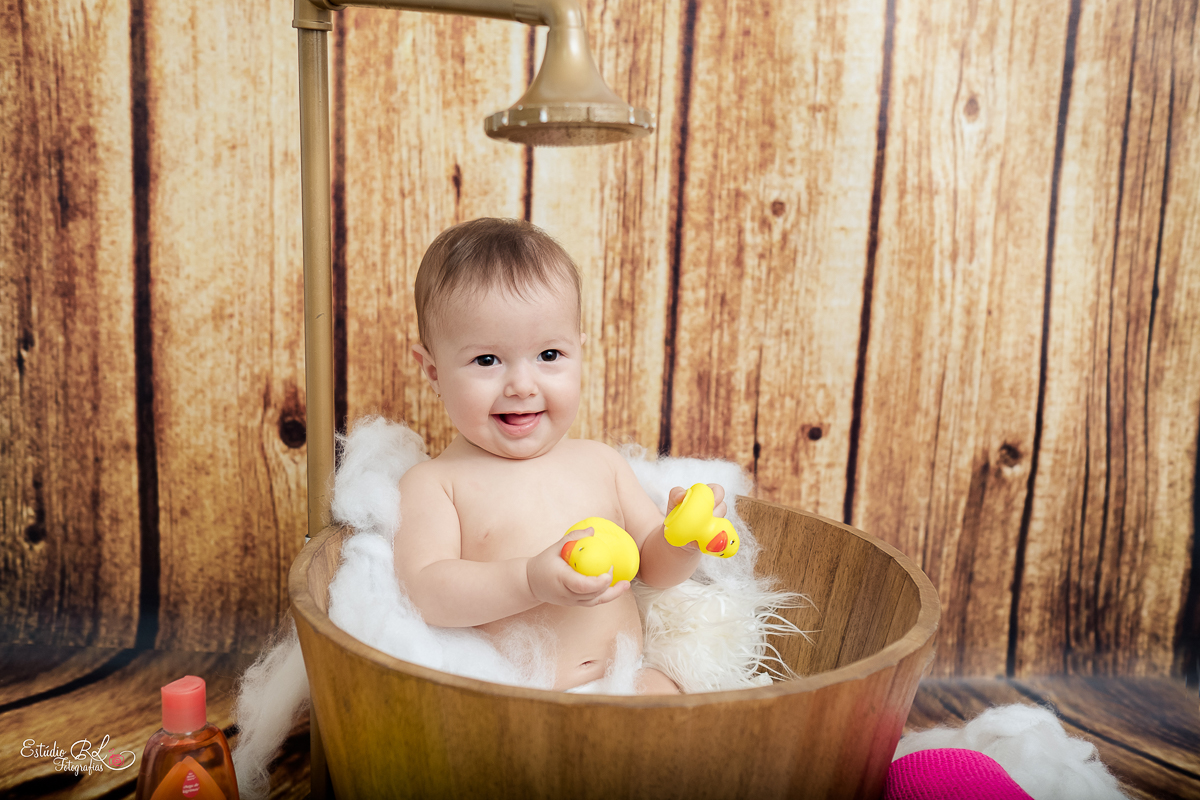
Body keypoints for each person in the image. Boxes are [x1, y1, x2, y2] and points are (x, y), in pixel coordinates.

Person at [394, 217, 728, 693]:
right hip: (521, 703)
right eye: (486, 360)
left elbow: (652, 568)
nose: (522, 385)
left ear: (580, 353)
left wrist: (681, 538)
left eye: (549, 355)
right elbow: (426, 593)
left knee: (676, 700)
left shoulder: (601, 464)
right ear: (432, 370)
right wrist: (529, 580)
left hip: (627, 680)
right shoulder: (435, 484)